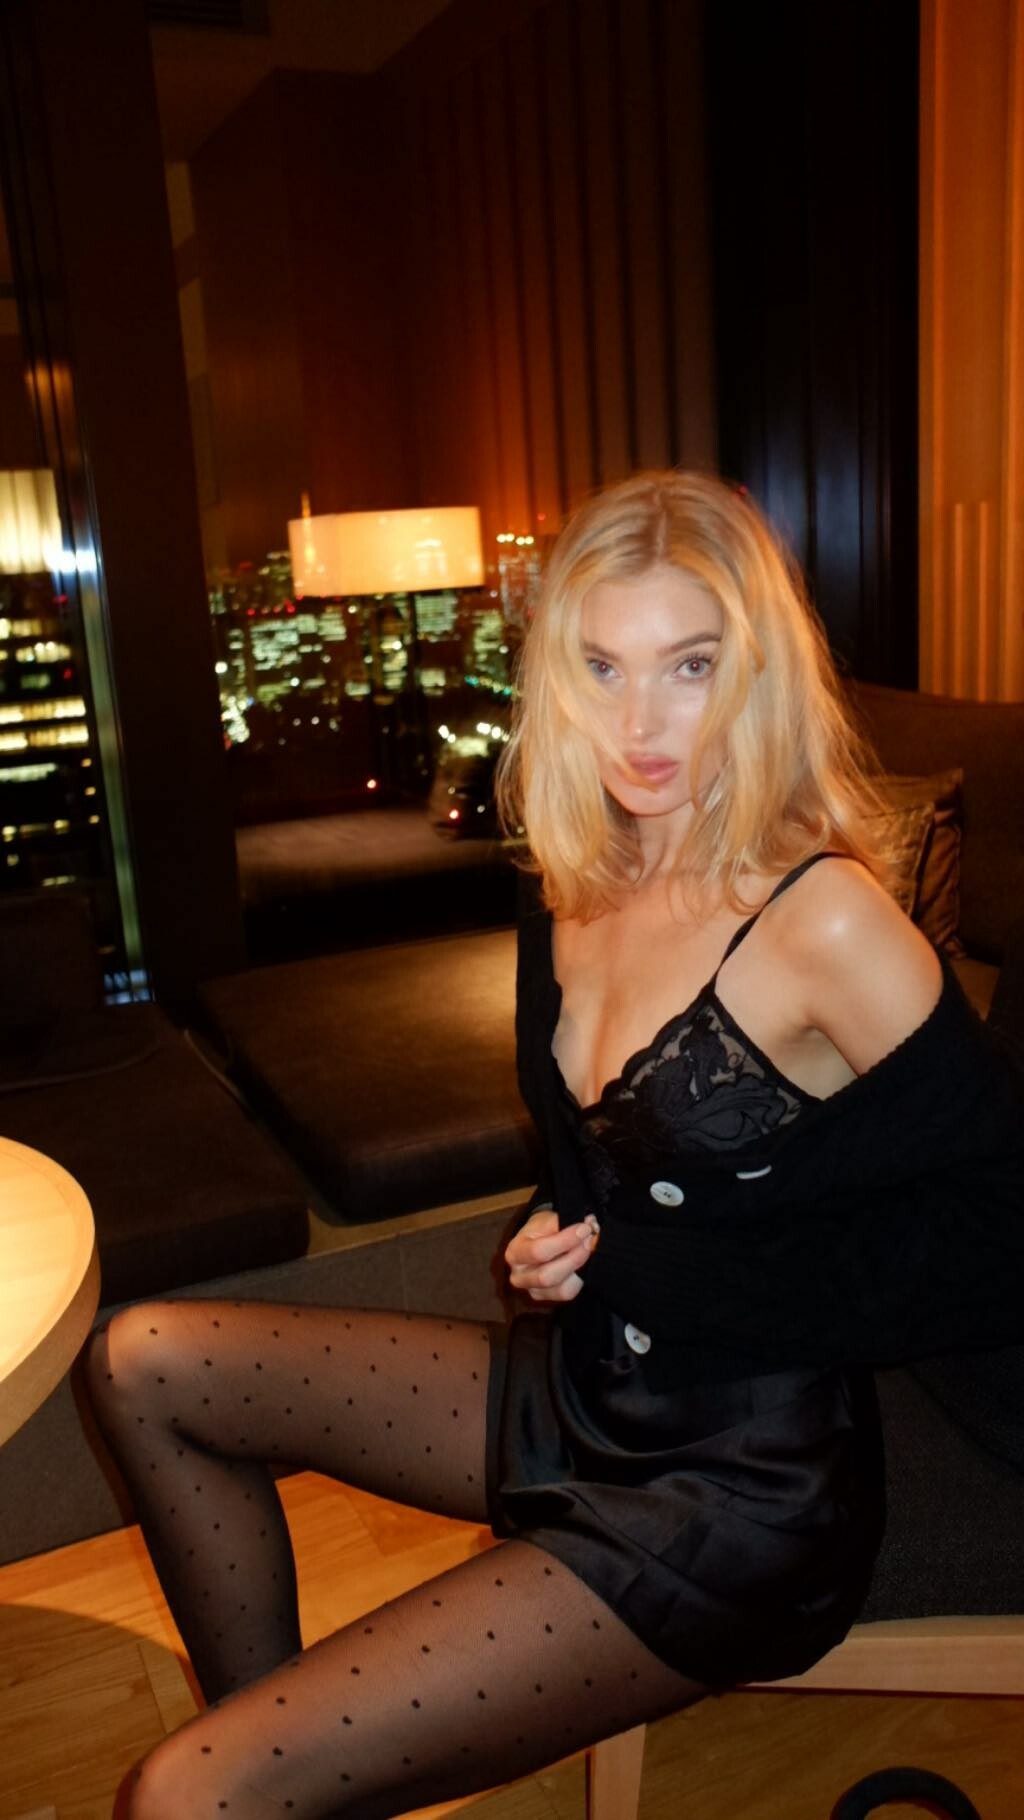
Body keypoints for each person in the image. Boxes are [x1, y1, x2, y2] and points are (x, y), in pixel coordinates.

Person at [88, 470, 1024, 1819]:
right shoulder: (576, 880)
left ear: (755, 673)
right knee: (143, 1361)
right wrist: (555, 1229)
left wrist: (670, 1272)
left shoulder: (824, 921)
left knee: (185, 1794)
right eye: (600, 667)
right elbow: (611, 1161)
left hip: (739, 1491)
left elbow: (1005, 1228)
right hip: (586, 1388)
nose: (639, 727)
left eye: (689, 666)